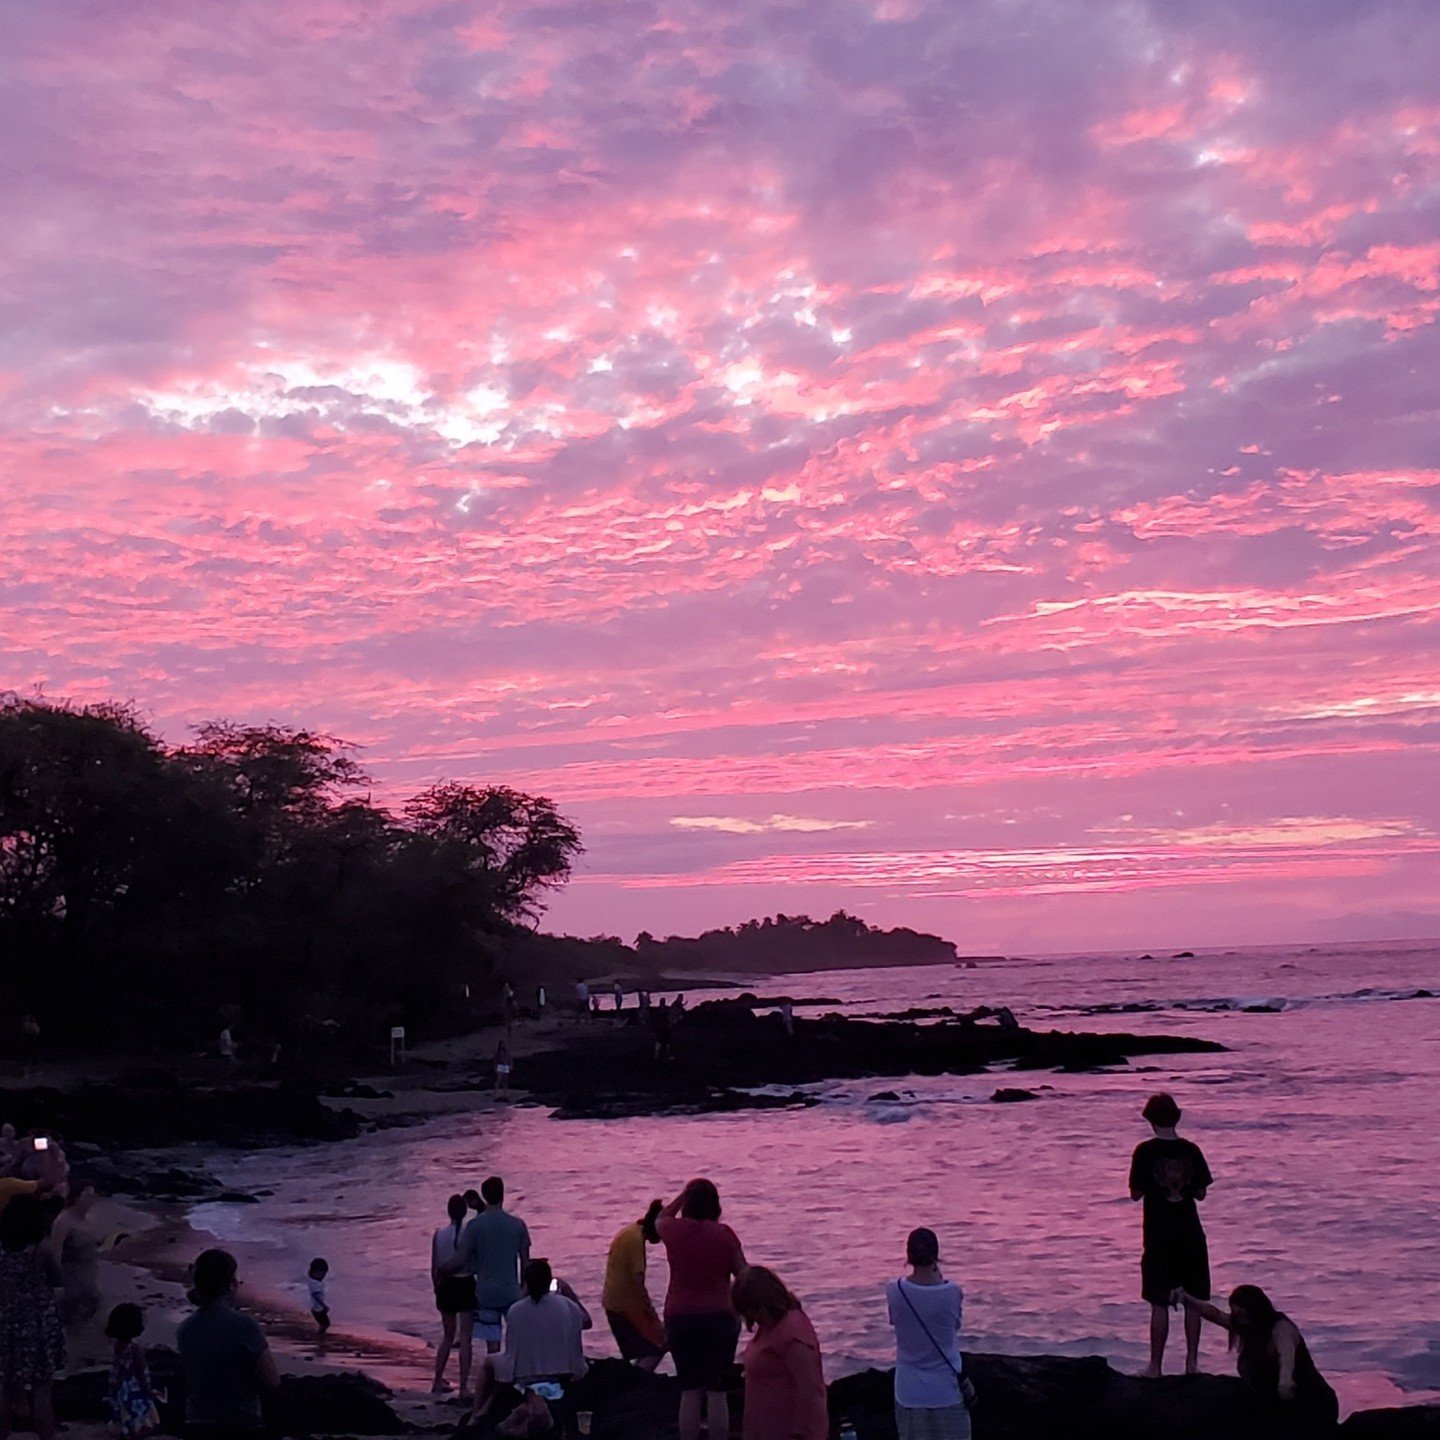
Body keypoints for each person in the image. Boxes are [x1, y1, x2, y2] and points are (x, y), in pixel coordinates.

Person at [1128, 1092, 1214, 1376]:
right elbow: (1201, 1194)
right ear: (1177, 1117)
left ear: (1150, 1121)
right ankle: (1192, 1363)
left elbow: (1135, 1194)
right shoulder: (1192, 1150)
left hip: (1158, 1235)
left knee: (1159, 1302)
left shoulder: (1144, 1152)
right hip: (1190, 1233)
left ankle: (1155, 1366)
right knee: (1194, 1301)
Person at [1179, 1286, 1338, 1436]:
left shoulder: (1280, 1328)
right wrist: (1185, 1298)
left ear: (1255, 1310)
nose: (1239, 1318)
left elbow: (1286, 1360)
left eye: (1243, 1313)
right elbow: (1214, 1314)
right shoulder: (1248, 1327)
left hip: (1310, 1402)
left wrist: (1285, 1383)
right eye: (1237, 1314)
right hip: (1276, 1402)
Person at [658, 1179, 747, 1440]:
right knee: (717, 1391)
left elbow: (660, 1217)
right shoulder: (725, 1236)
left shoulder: (674, 1231)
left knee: (689, 1389)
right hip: (720, 1317)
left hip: (680, 1318)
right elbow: (743, 1275)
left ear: (688, 1205)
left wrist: (682, 1195)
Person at [465, 1259, 591, 1428]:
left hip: (525, 1375)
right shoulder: (567, 1305)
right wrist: (569, 1294)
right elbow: (587, 1322)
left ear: (525, 1283)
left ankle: (476, 1413)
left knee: (490, 1362)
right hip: (564, 1372)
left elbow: (512, 1353)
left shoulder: (516, 1310)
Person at [176, 1248, 280, 1437]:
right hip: (241, 1423)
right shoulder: (246, 1326)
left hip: (197, 1424)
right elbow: (272, 1382)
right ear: (231, 1284)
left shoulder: (185, 1329)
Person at [886, 1227, 970, 1440]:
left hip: (908, 1390)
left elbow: (895, 1321)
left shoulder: (894, 1290)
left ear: (908, 1255)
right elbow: (954, 1326)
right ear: (936, 1255)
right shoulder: (952, 1291)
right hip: (945, 1389)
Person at [733, 1266, 827, 1440]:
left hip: (789, 1431)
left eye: (752, 1311)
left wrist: (800, 1432)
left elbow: (810, 1389)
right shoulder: (768, 1328)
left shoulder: (792, 1331)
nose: (751, 1319)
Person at [0, 1194, 65, 1440]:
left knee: (6, 1388)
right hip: (39, 1322)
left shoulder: (2, 1250)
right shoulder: (41, 1248)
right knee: (41, 1390)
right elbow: (58, 1280)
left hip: (7, 1321)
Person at [446, 1176, 531, 1354]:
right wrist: (524, 1289)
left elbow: (461, 1259)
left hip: (486, 1294)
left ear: (484, 1195)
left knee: (492, 1346)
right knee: (518, 1341)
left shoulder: (475, 1226)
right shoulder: (518, 1225)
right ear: (503, 1194)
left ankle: (494, 1378)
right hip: (511, 1292)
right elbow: (525, 1262)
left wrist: (443, 1269)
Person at [602, 1200, 666, 1371]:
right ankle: (638, 1381)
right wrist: (651, 1313)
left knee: (644, 1349)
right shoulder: (636, 1241)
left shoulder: (629, 1232)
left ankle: (635, 1378)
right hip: (624, 1306)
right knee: (658, 1346)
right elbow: (638, 1283)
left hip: (615, 1303)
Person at [432, 1194, 476, 1395]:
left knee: (448, 1336)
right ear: (465, 1211)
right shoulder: (469, 1232)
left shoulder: (439, 1233)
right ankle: (464, 1386)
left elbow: (434, 1266)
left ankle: (437, 1379)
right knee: (465, 1338)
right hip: (465, 1283)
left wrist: (437, 1289)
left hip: (446, 1286)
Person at [52, 1183, 103, 1331]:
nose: (90, 1200)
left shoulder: (90, 1220)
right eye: (86, 1196)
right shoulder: (63, 1221)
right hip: (71, 1279)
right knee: (71, 1323)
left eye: (92, 1197)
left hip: (88, 1277)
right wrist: (58, 1285)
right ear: (77, 1197)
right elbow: (55, 1254)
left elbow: (93, 1247)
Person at [105, 1303, 159, 1438]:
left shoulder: (118, 1345)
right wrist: (148, 1389)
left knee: (124, 1415)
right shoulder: (135, 1349)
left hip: (119, 1385)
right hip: (134, 1387)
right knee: (139, 1417)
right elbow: (141, 1371)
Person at [306, 1258, 330, 1334]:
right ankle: (320, 1334)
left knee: (324, 1323)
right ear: (316, 1272)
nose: (324, 1276)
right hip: (317, 1309)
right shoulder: (315, 1284)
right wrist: (324, 1306)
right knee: (325, 1323)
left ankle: (321, 1332)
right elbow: (315, 1296)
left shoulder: (312, 1279)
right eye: (323, 1274)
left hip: (317, 1308)